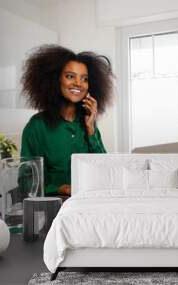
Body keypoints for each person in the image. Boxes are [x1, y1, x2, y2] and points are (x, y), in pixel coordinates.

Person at [20, 45, 113, 197]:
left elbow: (106, 170)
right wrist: (59, 188)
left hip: (88, 203)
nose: (78, 83)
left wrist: (91, 129)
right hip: (53, 209)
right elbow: (26, 182)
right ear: (55, 80)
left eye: (84, 79)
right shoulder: (37, 127)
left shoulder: (88, 124)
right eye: (70, 76)